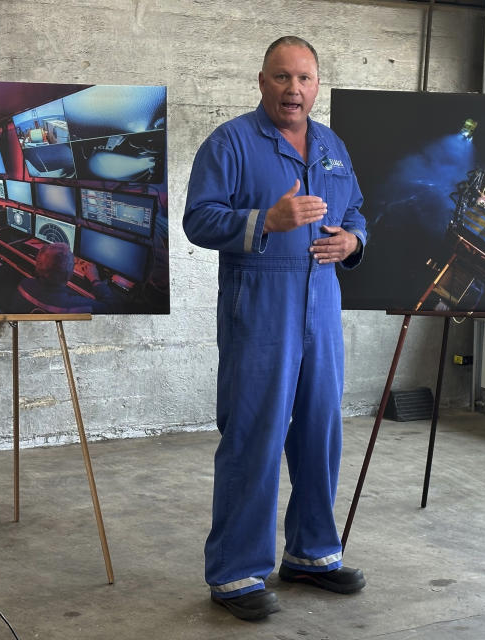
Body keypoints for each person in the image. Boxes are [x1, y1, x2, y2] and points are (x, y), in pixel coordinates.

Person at [183, 36, 368, 621]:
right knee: (254, 434)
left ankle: (312, 554)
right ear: (262, 81)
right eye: (283, 78)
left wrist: (353, 240)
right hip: (259, 302)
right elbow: (198, 219)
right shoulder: (232, 142)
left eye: (305, 79)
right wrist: (267, 219)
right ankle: (237, 572)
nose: (294, 89)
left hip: (322, 302)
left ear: (317, 85)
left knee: (320, 430)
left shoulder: (332, 145)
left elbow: (358, 208)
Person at [16, 242, 112, 313]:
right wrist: (95, 279)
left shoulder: (24, 284)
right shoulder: (78, 306)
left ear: (37, 266)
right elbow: (112, 309)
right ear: (69, 275)